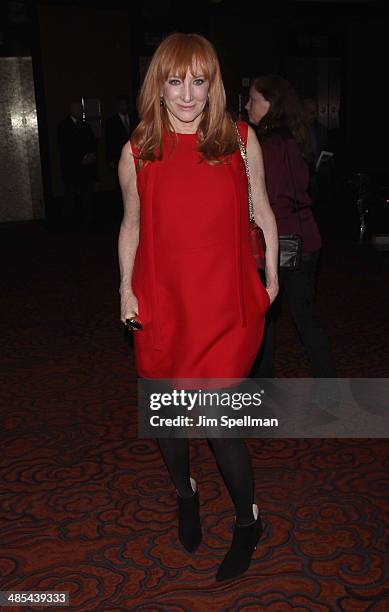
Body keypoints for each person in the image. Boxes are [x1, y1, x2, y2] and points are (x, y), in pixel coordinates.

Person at [118, 33, 278, 582]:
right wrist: (124, 287)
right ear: (158, 86)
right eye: (175, 80)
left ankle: (246, 520)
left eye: (199, 80)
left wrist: (273, 270)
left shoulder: (237, 138)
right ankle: (184, 492)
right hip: (163, 299)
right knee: (167, 415)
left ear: (213, 85)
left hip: (223, 304)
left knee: (216, 419)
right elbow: (131, 225)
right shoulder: (139, 148)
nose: (188, 93)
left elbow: (261, 209)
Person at [246, 75, 336, 379]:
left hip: (281, 240)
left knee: (267, 314)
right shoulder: (297, 136)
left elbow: (265, 199)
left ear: (271, 104)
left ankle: (263, 386)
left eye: (253, 100)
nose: (247, 106)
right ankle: (329, 384)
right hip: (307, 236)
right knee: (304, 316)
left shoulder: (270, 143)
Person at [57, 101, 97, 225]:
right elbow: (65, 148)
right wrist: (81, 158)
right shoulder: (63, 126)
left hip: (86, 169)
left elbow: (93, 143)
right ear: (71, 110)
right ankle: (68, 222)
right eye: (78, 109)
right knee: (70, 196)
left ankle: (87, 220)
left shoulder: (86, 126)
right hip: (72, 168)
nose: (81, 112)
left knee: (86, 195)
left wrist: (91, 155)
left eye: (81, 109)